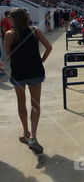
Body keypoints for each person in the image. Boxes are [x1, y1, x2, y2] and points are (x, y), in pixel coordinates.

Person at [4, 8, 53, 154]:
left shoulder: (9, 34)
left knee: (21, 103)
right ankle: (33, 136)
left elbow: (8, 56)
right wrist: (41, 60)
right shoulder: (35, 31)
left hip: (18, 72)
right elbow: (49, 47)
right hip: (35, 70)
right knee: (35, 104)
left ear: (14, 20)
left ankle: (25, 132)